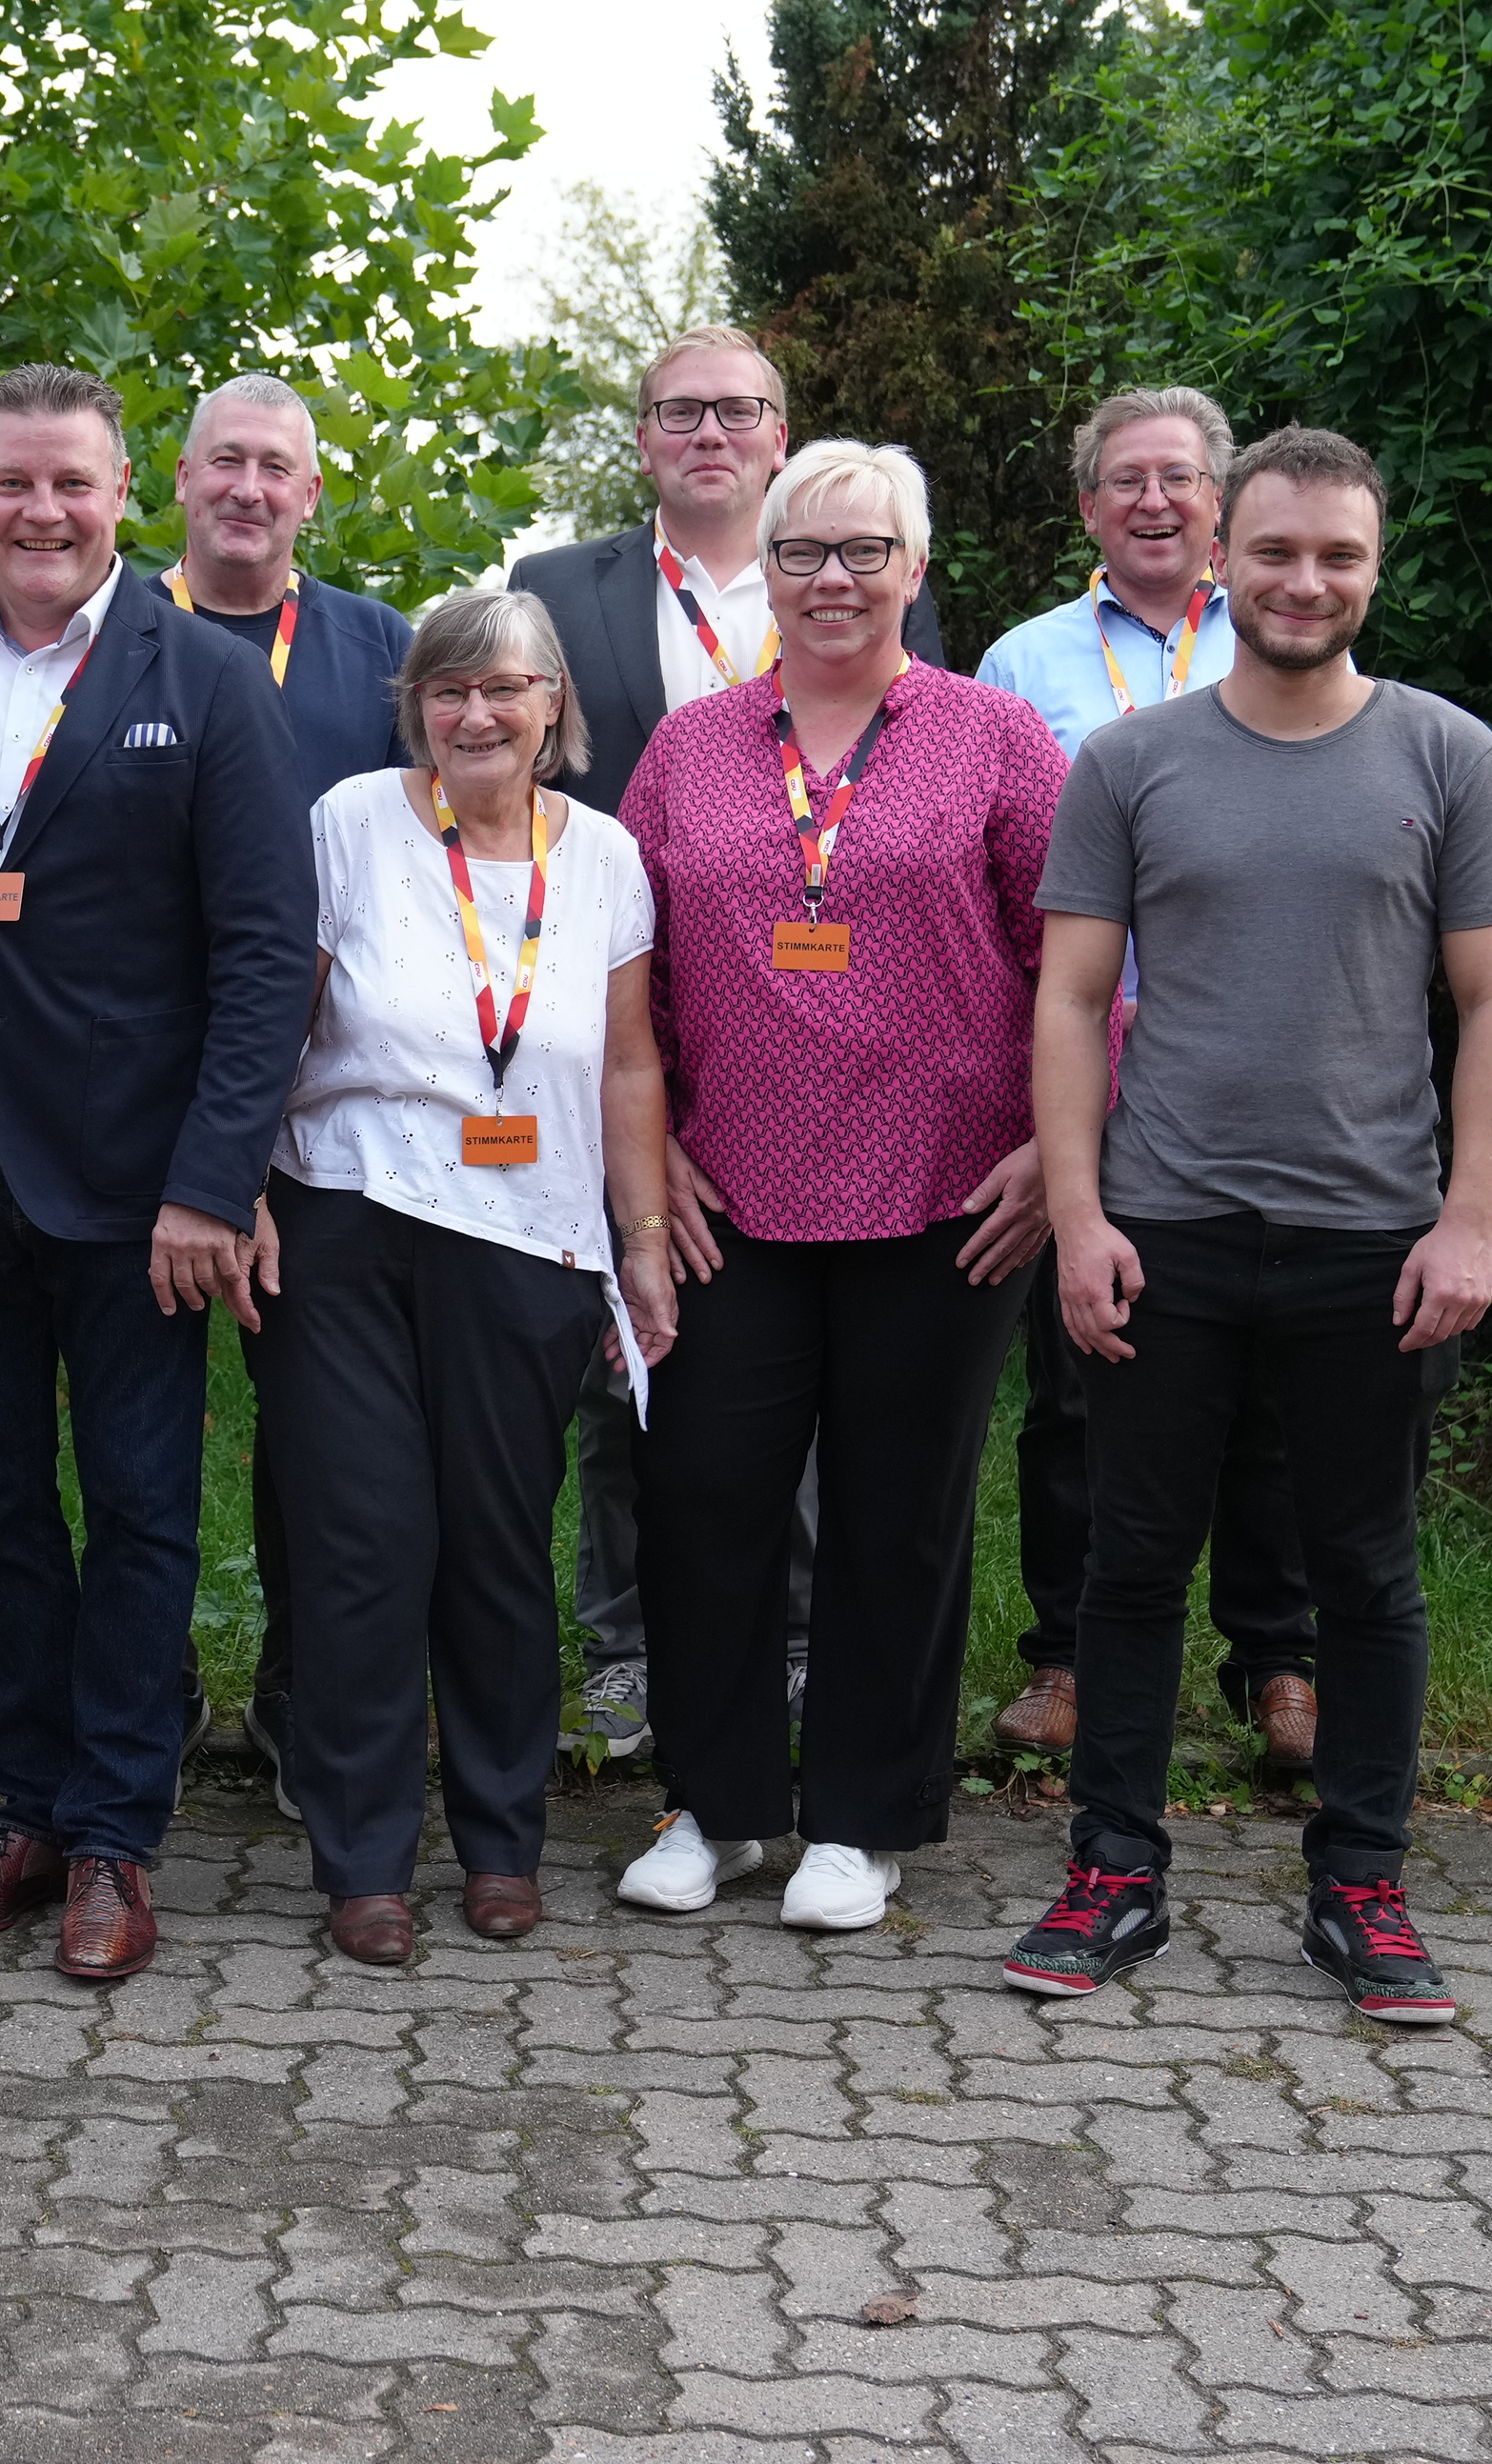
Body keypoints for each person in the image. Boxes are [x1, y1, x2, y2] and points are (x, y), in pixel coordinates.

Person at [999, 426, 1492, 2026]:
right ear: (1221, 555)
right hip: (1163, 1231)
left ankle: (1360, 1885)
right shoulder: (1133, 761)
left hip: (1372, 1247)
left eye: (1341, 558)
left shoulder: (1449, 756)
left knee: (1366, 1577)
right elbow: (1071, 1000)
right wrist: (1079, 1214)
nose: (1307, 583)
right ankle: (1114, 1872)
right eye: (1279, 551)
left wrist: (1469, 1225)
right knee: (1131, 1565)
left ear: (1376, 571)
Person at [0, 363, 313, 1981]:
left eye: (71, 484)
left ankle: (118, 1834)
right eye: (11, 485)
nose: (41, 513)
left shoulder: (203, 681)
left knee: (136, 1512)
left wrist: (213, 1177)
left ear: (126, 493)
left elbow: (267, 951)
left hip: (142, 1194)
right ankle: (28, 1805)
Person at [611, 441, 1059, 1932]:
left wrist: (1065, 1145)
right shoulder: (692, 748)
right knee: (702, 1497)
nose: (833, 580)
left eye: (866, 551)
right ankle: (719, 1805)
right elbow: (631, 973)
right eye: (803, 552)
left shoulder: (995, 740)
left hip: (947, 1195)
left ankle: (861, 1821)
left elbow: (1091, 964)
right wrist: (650, 1144)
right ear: (769, 572)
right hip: (728, 1195)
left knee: (897, 1510)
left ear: (917, 570)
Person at [513, 328, 938, 1756]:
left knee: (800, 1370)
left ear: (779, 435)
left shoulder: (852, 577)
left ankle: (806, 1648)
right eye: (680, 411)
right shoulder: (554, 589)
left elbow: (912, 792)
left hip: (817, 1036)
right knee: (630, 1346)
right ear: (642, 437)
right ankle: (628, 1651)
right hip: (612, 1012)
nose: (710, 432)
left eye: (739, 410)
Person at [246, 590, 676, 1966]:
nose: (475, 714)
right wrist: (235, 1186)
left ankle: (501, 1841)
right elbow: (283, 1013)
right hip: (349, 1223)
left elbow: (626, 1065)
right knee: (366, 1545)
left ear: (555, 703)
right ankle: (362, 1856)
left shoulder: (605, 857)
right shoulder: (354, 825)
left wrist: (645, 1242)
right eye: (448, 691)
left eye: (503, 688)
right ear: (415, 709)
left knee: (496, 1549)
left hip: (531, 1242)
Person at [971, 388, 1321, 1774]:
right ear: (1087, 511)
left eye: (1182, 478)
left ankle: (1278, 1668)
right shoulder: (1021, 664)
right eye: (1127, 481)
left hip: (1262, 1065)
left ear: (1223, 507)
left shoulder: (1291, 638)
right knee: (1083, 1377)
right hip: (1092, 1071)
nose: (1157, 502)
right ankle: (1066, 1663)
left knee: (1274, 1385)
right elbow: (994, 887)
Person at [142, 371, 418, 1787]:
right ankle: (156, 1690)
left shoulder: (382, 651)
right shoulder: (109, 636)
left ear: (314, 494)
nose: (249, 487)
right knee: (143, 1423)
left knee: (323, 1436)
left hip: (326, 1109)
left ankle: (312, 1706)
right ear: (177, 483)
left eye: (279, 468)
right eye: (224, 462)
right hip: (134, 1092)